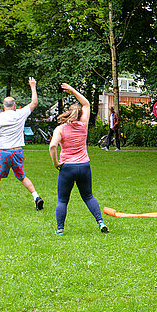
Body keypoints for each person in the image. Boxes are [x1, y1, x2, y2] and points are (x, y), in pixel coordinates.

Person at [49, 83, 109, 235]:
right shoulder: (83, 125)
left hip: (67, 167)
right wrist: (73, 90)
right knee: (88, 196)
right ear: (80, 114)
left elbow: (52, 146)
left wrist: (56, 163)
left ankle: (60, 229)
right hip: (84, 166)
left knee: (63, 200)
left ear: (68, 113)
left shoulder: (60, 129)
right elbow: (86, 103)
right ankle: (100, 221)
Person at [0, 77, 43, 211]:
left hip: (2, 152)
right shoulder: (20, 114)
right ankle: (36, 196)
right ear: (14, 105)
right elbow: (34, 102)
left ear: (3, 105)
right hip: (17, 151)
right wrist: (33, 86)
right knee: (22, 176)